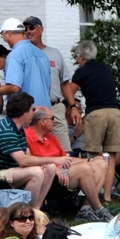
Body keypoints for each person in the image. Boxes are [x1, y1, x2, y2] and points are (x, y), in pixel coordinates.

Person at [0, 92, 63, 210]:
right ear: (24, 112)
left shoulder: (19, 127)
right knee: (36, 173)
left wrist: (44, 163)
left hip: (9, 169)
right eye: (32, 109)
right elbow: (22, 160)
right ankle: (26, 211)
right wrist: (55, 159)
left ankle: (36, 210)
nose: (34, 113)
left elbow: (26, 153)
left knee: (50, 167)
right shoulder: (6, 130)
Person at [64, 40, 120, 204]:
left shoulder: (82, 71)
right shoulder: (105, 68)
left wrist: (72, 106)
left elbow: (69, 89)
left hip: (96, 113)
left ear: (81, 57)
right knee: (110, 156)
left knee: (94, 157)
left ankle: (92, 198)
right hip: (115, 113)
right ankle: (107, 197)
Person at [26, 106, 109, 221]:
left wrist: (90, 160)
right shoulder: (27, 136)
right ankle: (99, 208)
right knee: (84, 169)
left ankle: (85, 208)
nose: (54, 121)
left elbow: (65, 159)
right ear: (43, 122)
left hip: (64, 171)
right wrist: (55, 168)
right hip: (50, 177)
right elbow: (28, 161)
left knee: (101, 164)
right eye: (52, 118)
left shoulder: (51, 137)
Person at [0, 18, 52, 109]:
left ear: (8, 33)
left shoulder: (15, 55)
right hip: (46, 110)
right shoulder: (41, 54)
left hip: (27, 111)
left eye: (2, 35)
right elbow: (48, 85)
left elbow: (14, 87)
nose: (4, 39)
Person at [23, 16, 79, 151]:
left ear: (41, 30)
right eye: (25, 29)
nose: (28, 31)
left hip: (55, 107)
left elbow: (65, 83)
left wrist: (73, 106)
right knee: (33, 150)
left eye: (32, 28)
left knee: (63, 149)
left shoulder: (54, 53)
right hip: (32, 110)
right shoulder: (22, 54)